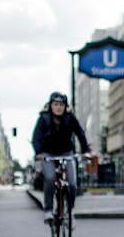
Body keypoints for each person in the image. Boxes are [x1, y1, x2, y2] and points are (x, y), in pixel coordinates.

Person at [31, 92, 90, 222]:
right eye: (56, 104)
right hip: (48, 154)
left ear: (65, 106)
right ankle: (48, 211)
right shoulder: (43, 118)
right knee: (50, 177)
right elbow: (37, 138)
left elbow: (80, 133)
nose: (58, 107)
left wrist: (86, 150)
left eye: (61, 105)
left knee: (72, 183)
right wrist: (39, 153)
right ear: (50, 105)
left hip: (67, 153)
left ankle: (70, 210)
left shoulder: (70, 118)